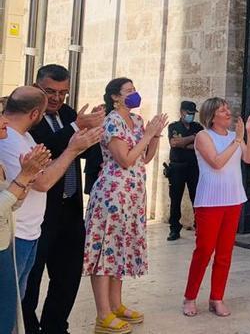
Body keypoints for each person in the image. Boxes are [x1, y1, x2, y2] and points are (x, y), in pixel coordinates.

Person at [0, 87, 101, 304]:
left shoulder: (25, 136)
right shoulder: (9, 140)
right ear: (36, 114)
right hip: (15, 233)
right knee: (9, 303)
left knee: (19, 298)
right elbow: (43, 182)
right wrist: (72, 149)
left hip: (31, 230)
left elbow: (44, 170)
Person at [24, 64, 104, 334]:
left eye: (63, 93)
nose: (57, 98)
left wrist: (93, 133)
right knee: (31, 279)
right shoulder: (30, 118)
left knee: (68, 277)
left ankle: (56, 327)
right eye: (51, 91)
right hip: (40, 211)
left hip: (70, 209)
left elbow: (79, 150)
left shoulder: (69, 115)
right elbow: (45, 148)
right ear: (37, 88)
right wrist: (76, 128)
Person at [83, 78, 167, 334]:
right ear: (115, 97)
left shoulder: (137, 121)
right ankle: (103, 314)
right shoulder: (112, 121)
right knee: (105, 251)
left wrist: (154, 136)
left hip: (132, 195)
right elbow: (125, 159)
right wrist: (149, 135)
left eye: (134, 90)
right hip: (112, 194)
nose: (134, 94)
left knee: (119, 249)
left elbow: (145, 158)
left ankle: (117, 305)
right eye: (128, 91)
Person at [182, 98, 250, 318]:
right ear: (211, 116)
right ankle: (190, 297)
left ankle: (217, 297)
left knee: (225, 253)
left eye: (228, 109)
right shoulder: (203, 137)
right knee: (204, 251)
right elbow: (216, 163)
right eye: (222, 110)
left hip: (234, 200)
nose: (228, 113)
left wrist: (249, 133)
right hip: (210, 202)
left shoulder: (234, 138)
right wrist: (237, 139)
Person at [1, 109, 52, 334]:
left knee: (11, 307)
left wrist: (25, 180)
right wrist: (24, 177)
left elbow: (11, 203)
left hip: (5, 242)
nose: (5, 120)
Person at [166, 101, 203, 241]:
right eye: (189, 113)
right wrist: (193, 138)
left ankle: (199, 226)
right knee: (175, 199)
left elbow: (201, 145)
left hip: (194, 167)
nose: (191, 116)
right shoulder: (174, 126)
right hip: (177, 167)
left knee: (197, 198)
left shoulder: (198, 127)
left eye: (193, 114)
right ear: (182, 112)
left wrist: (184, 143)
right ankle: (174, 229)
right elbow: (174, 143)